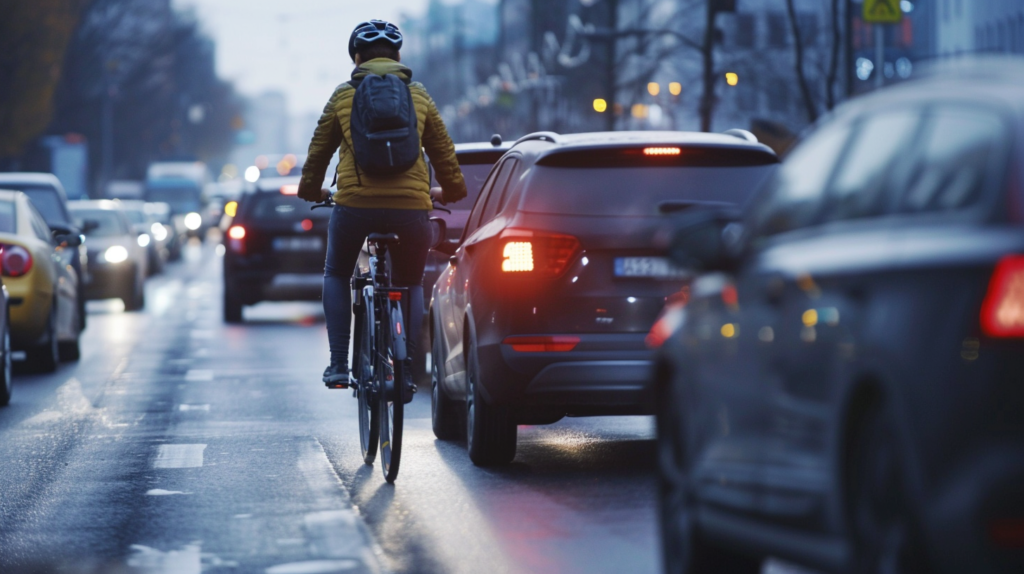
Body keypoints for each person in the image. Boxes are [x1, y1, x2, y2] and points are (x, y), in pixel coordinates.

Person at [297, 19, 467, 395]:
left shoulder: (343, 95)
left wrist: (310, 189)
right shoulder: (418, 95)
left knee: (337, 273)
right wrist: (452, 190)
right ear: (398, 57)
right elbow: (443, 150)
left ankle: (339, 363)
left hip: (355, 206)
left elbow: (318, 150)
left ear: (356, 58)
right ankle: (406, 369)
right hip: (411, 210)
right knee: (409, 282)